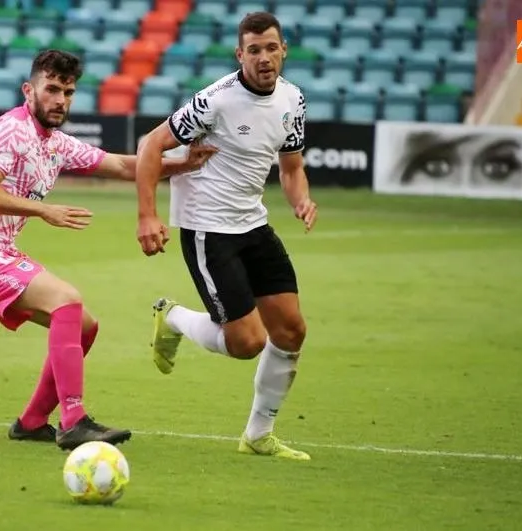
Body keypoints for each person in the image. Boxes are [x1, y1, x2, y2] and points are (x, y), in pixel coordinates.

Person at [0, 50, 217, 451]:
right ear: (29, 90)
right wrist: (43, 210)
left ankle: (33, 421)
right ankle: (73, 420)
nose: (60, 100)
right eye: (51, 89)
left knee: (84, 326)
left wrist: (181, 163)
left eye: (68, 92)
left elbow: (126, 167)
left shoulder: (55, 143)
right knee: (66, 300)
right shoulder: (9, 131)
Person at [134, 12, 318, 460]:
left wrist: (300, 199)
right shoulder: (215, 101)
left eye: (271, 48)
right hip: (207, 230)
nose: (263, 58)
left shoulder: (293, 100)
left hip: (252, 224)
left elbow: (292, 168)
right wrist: (147, 216)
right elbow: (149, 146)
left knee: (291, 330)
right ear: (240, 55)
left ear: (283, 50)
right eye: (253, 50)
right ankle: (172, 317)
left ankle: (258, 435)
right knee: (247, 342)